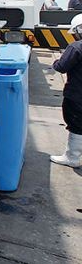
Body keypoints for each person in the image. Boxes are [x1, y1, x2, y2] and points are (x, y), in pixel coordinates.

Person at [50, 13, 82, 168]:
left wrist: (56, 62)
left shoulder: (76, 47)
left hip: (77, 94)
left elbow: (61, 66)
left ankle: (72, 157)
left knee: (76, 123)